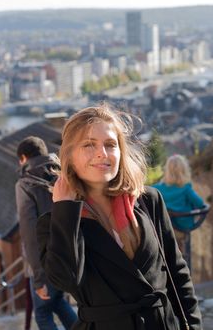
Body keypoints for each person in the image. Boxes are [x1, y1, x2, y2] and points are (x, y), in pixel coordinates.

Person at [36, 105, 202, 330]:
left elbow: (176, 272)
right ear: (69, 157)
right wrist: (66, 208)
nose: (102, 153)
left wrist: (192, 325)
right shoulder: (55, 222)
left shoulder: (148, 200)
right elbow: (66, 280)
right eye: (88, 144)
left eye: (110, 145)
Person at [15, 136, 77, 330]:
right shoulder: (62, 175)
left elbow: (30, 234)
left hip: (45, 260)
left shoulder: (25, 185)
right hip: (70, 254)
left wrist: (39, 278)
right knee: (57, 302)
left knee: (42, 313)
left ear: (23, 158)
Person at [153, 154, 205, 230]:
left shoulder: (157, 188)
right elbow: (200, 203)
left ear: (167, 170)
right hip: (183, 226)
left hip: (164, 226)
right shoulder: (186, 188)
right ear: (184, 170)